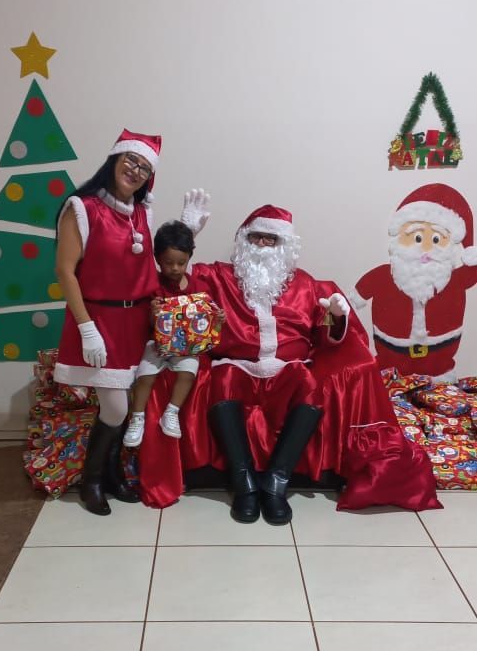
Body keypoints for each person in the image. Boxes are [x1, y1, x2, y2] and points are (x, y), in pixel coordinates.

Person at [137, 204, 441, 520]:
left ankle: (275, 483)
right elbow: (174, 276)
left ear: (284, 245)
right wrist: (187, 231)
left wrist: (336, 318)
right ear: (243, 240)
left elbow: (325, 338)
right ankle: (244, 485)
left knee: (309, 386)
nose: (263, 244)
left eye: (271, 239)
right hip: (236, 365)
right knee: (222, 380)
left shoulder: (306, 285)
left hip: (287, 368)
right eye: (256, 237)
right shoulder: (218, 277)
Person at [54, 128, 161, 516]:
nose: (135, 170)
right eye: (131, 160)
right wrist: (86, 328)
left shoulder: (143, 214)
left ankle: (113, 474)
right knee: (114, 408)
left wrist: (187, 230)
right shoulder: (82, 208)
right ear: (115, 159)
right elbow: (65, 272)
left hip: (135, 322)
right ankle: (92, 480)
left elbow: (147, 267)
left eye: (145, 168)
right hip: (99, 321)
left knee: (126, 403)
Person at [351, 184, 477, 379]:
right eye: (417, 237)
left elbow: (472, 272)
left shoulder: (454, 280)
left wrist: (471, 255)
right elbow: (355, 298)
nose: (426, 248)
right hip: (391, 368)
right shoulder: (383, 277)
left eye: (436, 239)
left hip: (439, 370)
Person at [124, 220, 213, 446]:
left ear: (189, 257)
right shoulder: (152, 286)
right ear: (157, 259)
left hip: (186, 347)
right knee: (145, 376)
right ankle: (137, 418)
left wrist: (217, 318)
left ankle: (171, 412)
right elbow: (144, 324)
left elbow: (206, 320)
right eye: (168, 262)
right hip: (156, 344)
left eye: (181, 263)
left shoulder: (199, 287)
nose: (175, 268)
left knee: (188, 372)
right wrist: (153, 314)